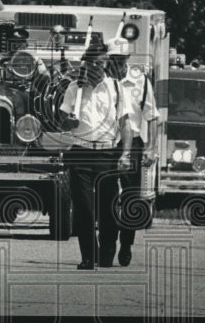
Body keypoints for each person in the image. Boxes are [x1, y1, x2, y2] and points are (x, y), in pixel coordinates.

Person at [59, 41, 132, 269]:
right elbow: (63, 120)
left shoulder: (117, 89)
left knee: (108, 207)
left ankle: (108, 249)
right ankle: (88, 256)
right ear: (87, 65)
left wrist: (126, 153)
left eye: (103, 63)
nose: (100, 68)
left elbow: (125, 124)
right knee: (83, 207)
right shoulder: (74, 89)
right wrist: (68, 121)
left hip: (107, 152)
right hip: (81, 151)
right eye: (95, 64)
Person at [106, 37, 159, 267]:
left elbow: (153, 117)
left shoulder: (140, 81)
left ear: (127, 59)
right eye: (113, 59)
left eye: (121, 59)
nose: (117, 63)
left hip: (134, 142)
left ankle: (126, 242)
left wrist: (151, 148)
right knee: (106, 196)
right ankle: (106, 245)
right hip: (107, 143)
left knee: (130, 197)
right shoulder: (102, 80)